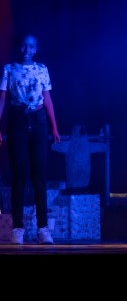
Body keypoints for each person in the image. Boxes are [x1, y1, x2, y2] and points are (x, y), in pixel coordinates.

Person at [0, 33, 61, 245]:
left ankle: (43, 229)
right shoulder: (9, 69)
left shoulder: (42, 69)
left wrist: (54, 127)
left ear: (36, 49)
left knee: (39, 175)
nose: (27, 50)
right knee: (19, 174)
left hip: (38, 121)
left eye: (31, 46)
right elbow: (2, 100)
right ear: (19, 47)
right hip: (17, 120)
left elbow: (47, 99)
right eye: (24, 46)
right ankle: (17, 229)